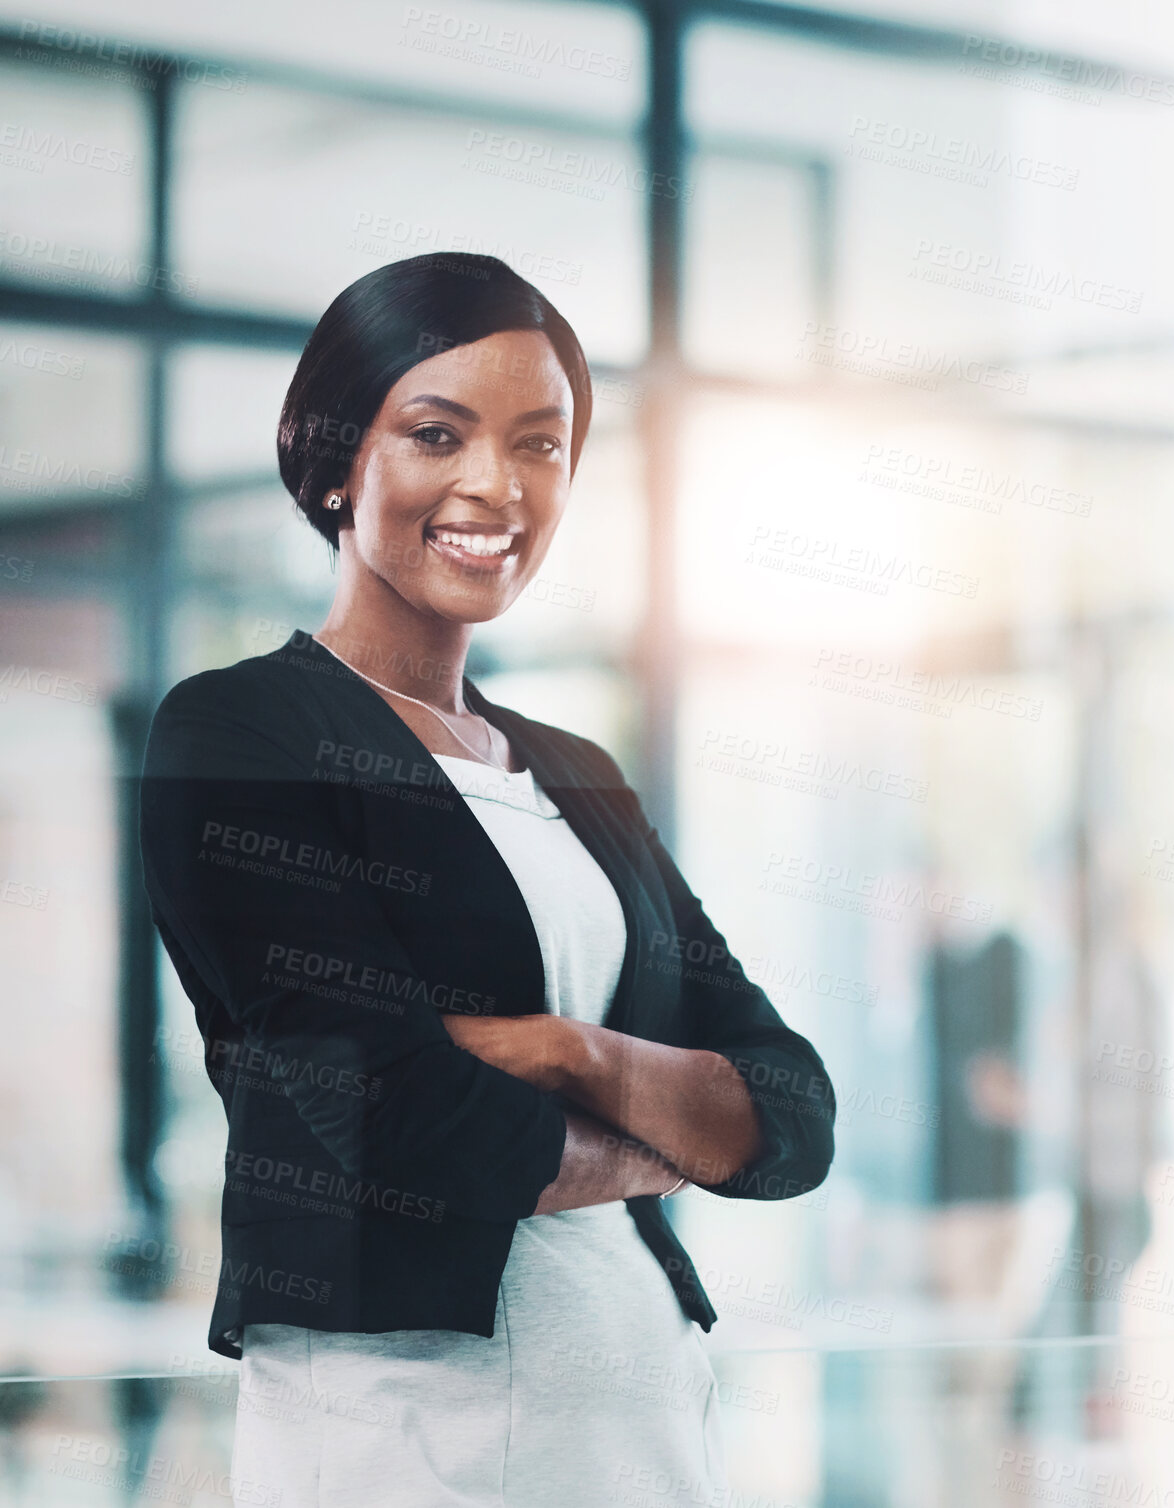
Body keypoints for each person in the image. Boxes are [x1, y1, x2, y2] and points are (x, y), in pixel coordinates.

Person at [136, 252, 836, 1506]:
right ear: (339, 455)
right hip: (404, 1438)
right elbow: (388, 1127)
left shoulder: (577, 773)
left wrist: (573, 1053)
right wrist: (678, 1133)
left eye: (540, 443)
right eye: (435, 431)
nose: (493, 485)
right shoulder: (239, 732)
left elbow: (790, 1109)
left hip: (642, 1424)